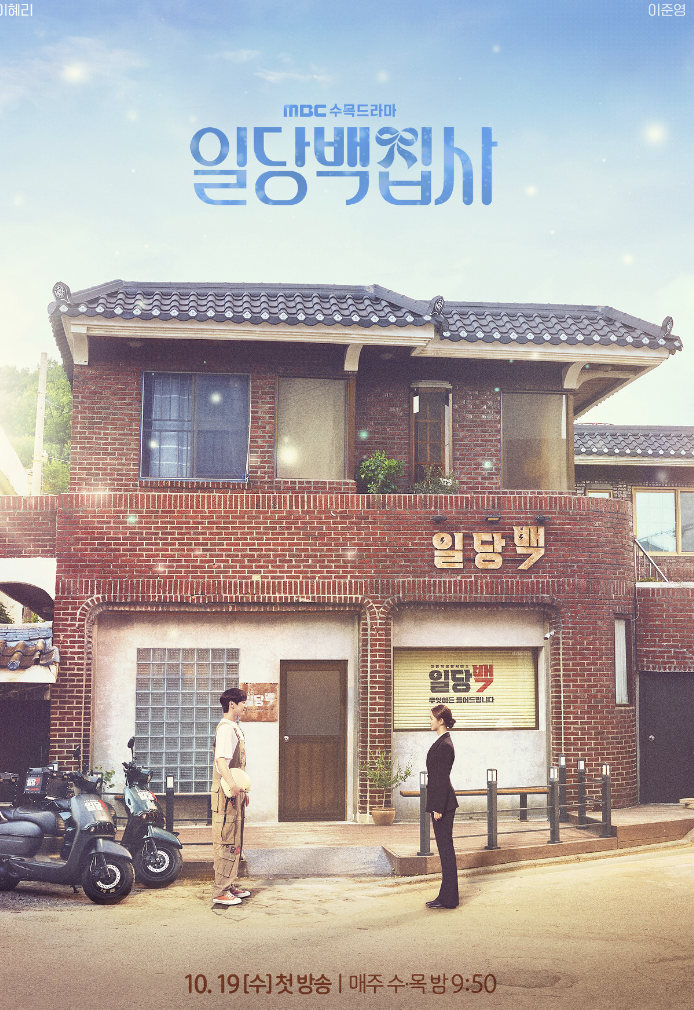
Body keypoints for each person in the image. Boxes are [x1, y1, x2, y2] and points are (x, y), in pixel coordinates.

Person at [211, 687, 251, 907]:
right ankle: (220, 891)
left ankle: (229, 885)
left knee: (235, 839)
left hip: (233, 793)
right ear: (232, 704)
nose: (245, 706)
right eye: (242, 702)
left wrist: (242, 790)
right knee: (226, 840)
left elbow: (236, 767)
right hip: (225, 795)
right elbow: (221, 762)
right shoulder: (226, 729)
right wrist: (233, 786)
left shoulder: (235, 728)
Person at [425, 703, 459, 909]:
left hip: (443, 805)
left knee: (446, 852)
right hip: (441, 803)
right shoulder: (441, 741)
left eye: (431, 718)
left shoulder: (445, 744)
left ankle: (450, 899)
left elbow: (442, 778)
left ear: (441, 721)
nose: (429, 721)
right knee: (445, 851)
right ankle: (445, 896)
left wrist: (438, 807)